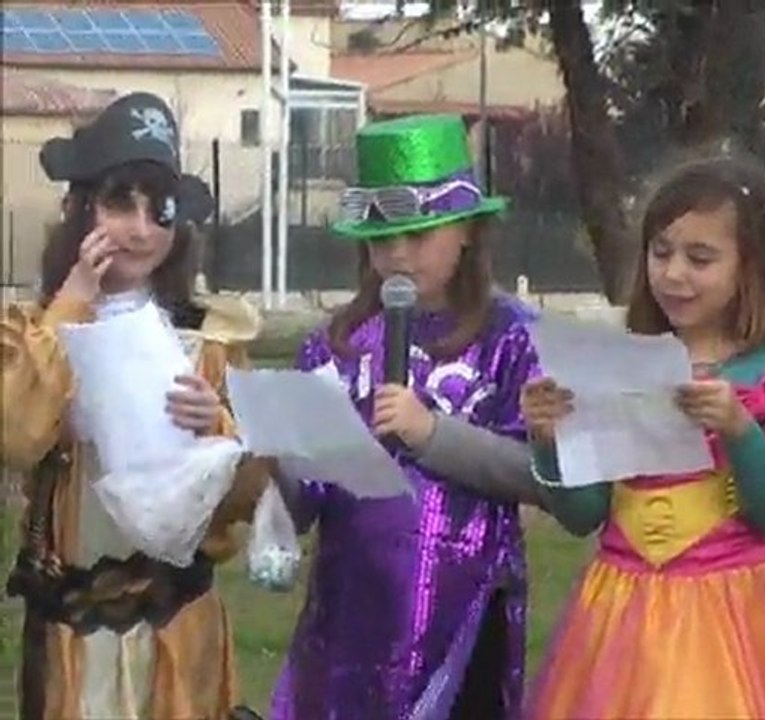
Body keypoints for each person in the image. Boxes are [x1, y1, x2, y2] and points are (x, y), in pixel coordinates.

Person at [521, 156, 765, 719]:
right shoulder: (619, 364)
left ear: (751, 265)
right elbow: (583, 515)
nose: (674, 274)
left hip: (733, 614)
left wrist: (739, 430)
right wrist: (549, 442)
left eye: (700, 259)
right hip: (620, 615)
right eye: (661, 252)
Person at [1, 92, 268, 720]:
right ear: (82, 208)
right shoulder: (33, 332)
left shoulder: (210, 344)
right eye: (122, 202)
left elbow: (251, 498)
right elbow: (15, 436)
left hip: (180, 630)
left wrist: (221, 431)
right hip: (71, 635)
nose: (141, 228)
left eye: (160, 209)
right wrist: (71, 305)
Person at [269, 114, 542, 720]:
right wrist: (270, 458)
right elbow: (304, 502)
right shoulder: (334, 344)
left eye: (418, 236)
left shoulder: (513, 338)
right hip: (350, 612)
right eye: (380, 238)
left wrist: (431, 435)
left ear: (467, 229)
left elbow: (542, 474)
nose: (396, 255)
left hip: (468, 607)